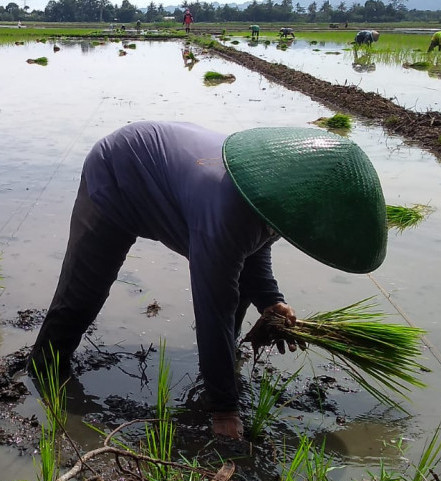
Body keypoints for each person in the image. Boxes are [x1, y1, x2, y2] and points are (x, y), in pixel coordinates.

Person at [29, 122, 387, 440]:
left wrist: (269, 300)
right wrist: (225, 411)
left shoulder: (280, 198)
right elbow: (213, 305)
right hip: (118, 172)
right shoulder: (228, 208)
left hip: (178, 187)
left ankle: (220, 370)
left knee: (233, 301)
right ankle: (42, 373)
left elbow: (255, 246)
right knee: (84, 292)